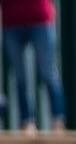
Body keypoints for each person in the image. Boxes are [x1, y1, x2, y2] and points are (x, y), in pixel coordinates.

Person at [0, 0, 65, 133]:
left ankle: (58, 121)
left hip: (40, 17)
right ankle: (27, 122)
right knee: (20, 77)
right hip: (11, 20)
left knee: (48, 73)